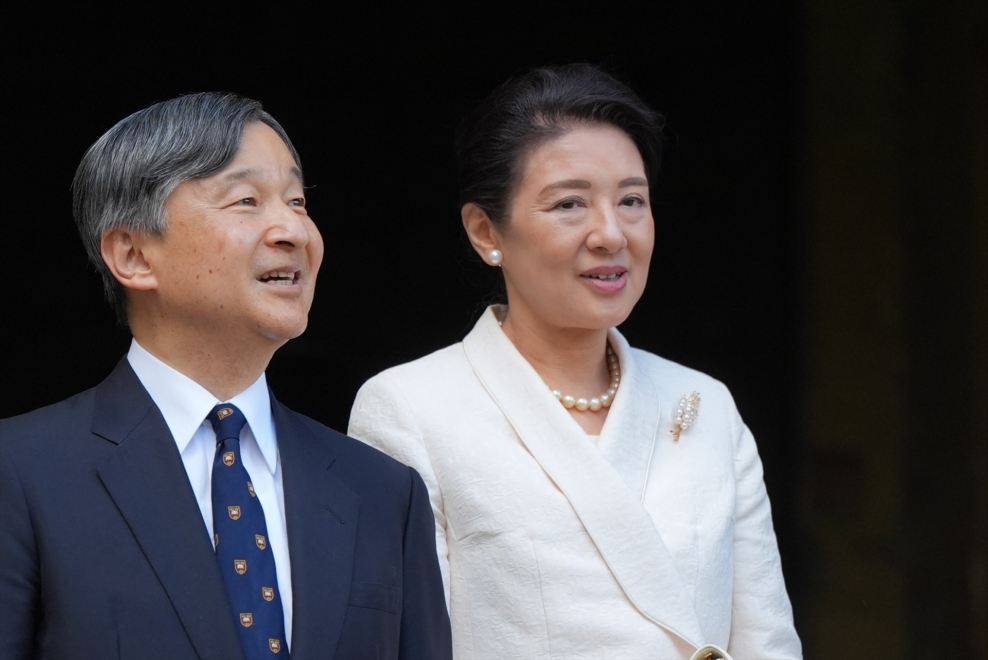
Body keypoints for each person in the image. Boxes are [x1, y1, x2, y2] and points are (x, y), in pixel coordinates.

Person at [348, 65, 802, 660]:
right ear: (486, 230)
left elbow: (767, 640)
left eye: (632, 201)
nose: (611, 234)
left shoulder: (707, 404)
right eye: (569, 204)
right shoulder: (409, 409)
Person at [0, 92, 452, 660]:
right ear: (134, 254)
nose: (293, 230)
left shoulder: (383, 491)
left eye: (297, 200)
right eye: (246, 200)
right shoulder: (20, 474)